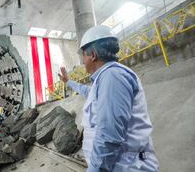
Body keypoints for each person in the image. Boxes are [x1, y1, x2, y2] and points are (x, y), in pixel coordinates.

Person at [59, 25, 159, 172]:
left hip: (126, 166)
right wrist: (68, 82)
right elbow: (88, 92)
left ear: (93, 55)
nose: (82, 62)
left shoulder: (112, 77)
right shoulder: (106, 77)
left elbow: (109, 134)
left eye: (83, 56)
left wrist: (95, 169)